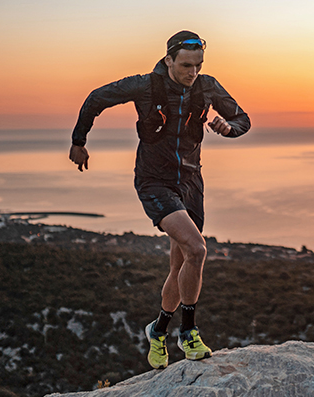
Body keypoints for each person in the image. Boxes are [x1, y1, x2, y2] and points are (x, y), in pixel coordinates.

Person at [69, 30, 251, 369]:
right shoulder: (145, 85)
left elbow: (244, 119)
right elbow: (96, 98)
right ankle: (189, 331)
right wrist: (79, 141)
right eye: (185, 65)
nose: (191, 73)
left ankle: (158, 330)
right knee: (197, 249)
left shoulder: (206, 86)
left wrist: (229, 128)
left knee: (180, 265)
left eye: (198, 65)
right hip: (155, 182)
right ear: (168, 60)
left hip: (191, 182)